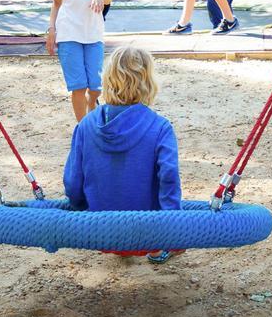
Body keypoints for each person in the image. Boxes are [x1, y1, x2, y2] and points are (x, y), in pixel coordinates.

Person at [63, 46, 183, 263]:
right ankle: (156, 251)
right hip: (147, 234)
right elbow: (169, 178)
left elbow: (73, 183)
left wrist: (81, 210)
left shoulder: (85, 125)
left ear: (107, 80)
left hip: (99, 230)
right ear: (148, 82)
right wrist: (172, 231)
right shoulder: (160, 128)